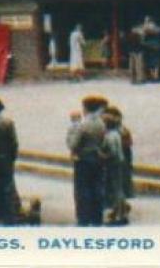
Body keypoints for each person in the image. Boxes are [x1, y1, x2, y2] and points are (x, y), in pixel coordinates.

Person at [67, 95, 107, 226]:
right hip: (98, 159)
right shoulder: (101, 123)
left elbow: (73, 144)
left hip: (83, 159)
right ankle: (97, 217)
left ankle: (83, 218)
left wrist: (70, 133)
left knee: (82, 190)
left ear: (86, 108)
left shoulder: (82, 125)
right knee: (97, 188)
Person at [101, 109, 127, 225]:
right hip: (120, 163)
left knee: (116, 190)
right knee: (119, 189)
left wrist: (102, 155)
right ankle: (120, 212)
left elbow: (113, 152)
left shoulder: (109, 136)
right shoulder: (116, 133)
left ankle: (118, 214)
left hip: (113, 164)